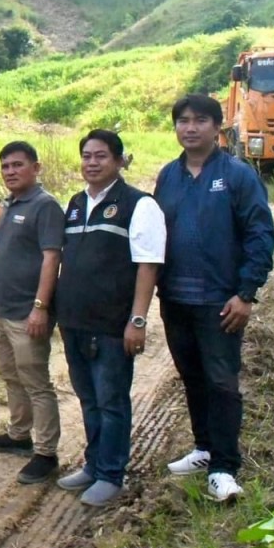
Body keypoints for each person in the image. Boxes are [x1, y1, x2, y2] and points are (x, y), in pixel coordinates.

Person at [154, 94, 274, 503]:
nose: (190, 128)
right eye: (183, 121)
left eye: (200, 121)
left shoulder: (237, 175)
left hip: (220, 302)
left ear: (216, 127)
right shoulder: (168, 176)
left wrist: (246, 293)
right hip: (174, 299)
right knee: (192, 377)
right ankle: (204, 449)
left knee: (222, 382)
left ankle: (225, 467)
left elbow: (260, 234)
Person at [53, 130, 166, 507]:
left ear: (119, 161)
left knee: (111, 400)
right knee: (87, 398)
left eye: (101, 156)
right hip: (74, 321)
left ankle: (111, 474)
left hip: (112, 324)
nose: (92, 163)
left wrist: (137, 320)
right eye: (86, 156)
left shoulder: (139, 204)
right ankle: (93, 463)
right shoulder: (74, 203)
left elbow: (147, 265)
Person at [0, 141, 66, 485]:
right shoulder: (9, 205)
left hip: (29, 312)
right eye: (6, 167)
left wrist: (40, 308)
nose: (11, 172)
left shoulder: (45, 207)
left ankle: (45, 453)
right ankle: (19, 434)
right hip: (3, 309)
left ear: (36, 167)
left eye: (18, 165)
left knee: (36, 382)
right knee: (12, 375)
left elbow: (51, 258)